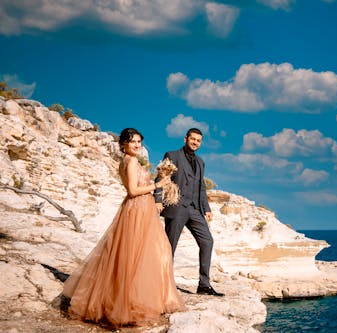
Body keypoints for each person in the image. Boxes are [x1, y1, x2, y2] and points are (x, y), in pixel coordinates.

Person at [63, 128, 185, 328]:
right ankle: (133, 302)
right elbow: (133, 190)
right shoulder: (131, 161)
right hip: (137, 210)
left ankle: (141, 298)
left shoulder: (129, 161)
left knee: (141, 254)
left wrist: (160, 176)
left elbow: (136, 183)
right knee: (144, 255)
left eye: (139, 141)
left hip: (140, 209)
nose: (137, 145)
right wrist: (158, 185)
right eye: (133, 142)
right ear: (123, 145)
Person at [154, 128, 223, 297]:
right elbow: (160, 178)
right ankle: (163, 285)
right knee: (169, 247)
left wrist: (206, 208)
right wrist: (157, 200)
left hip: (195, 209)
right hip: (176, 208)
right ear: (186, 139)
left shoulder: (200, 162)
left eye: (198, 140)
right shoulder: (172, 155)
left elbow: (201, 187)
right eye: (192, 139)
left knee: (207, 241)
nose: (195, 142)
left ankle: (204, 285)